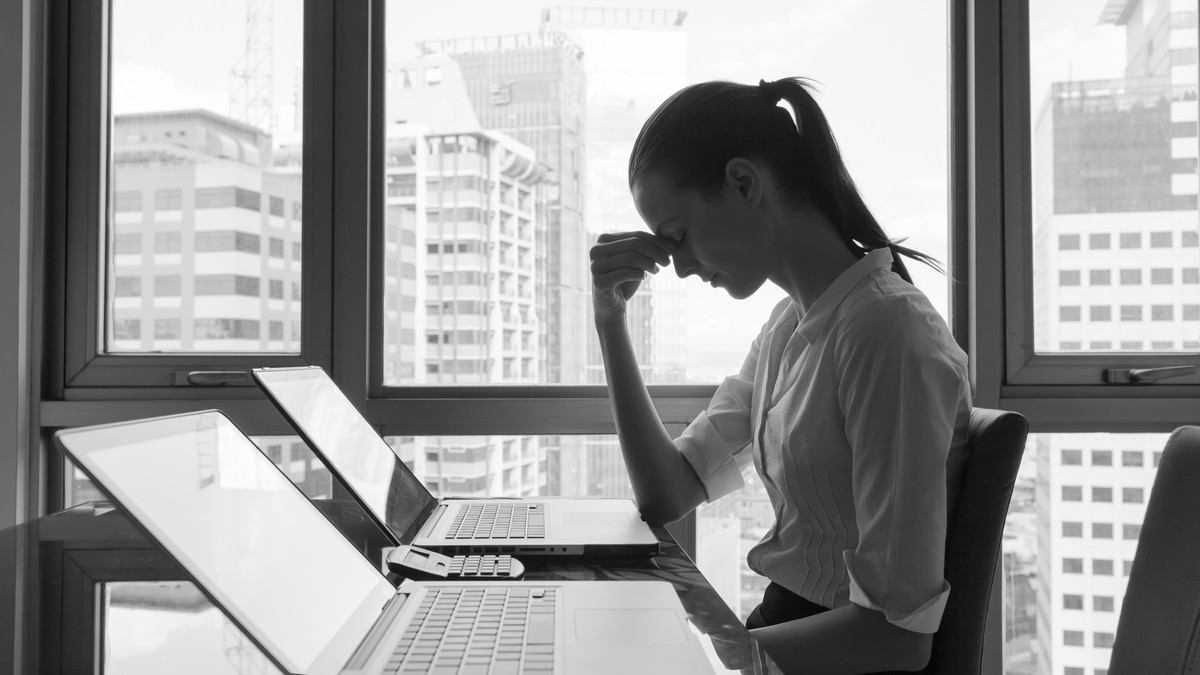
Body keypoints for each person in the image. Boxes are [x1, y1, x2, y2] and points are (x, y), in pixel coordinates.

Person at [589, 77, 971, 674]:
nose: (679, 267)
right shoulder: (789, 327)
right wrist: (610, 321)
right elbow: (668, 492)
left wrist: (711, 662)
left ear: (744, 183)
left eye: (678, 235)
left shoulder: (887, 332)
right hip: (778, 642)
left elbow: (898, 638)